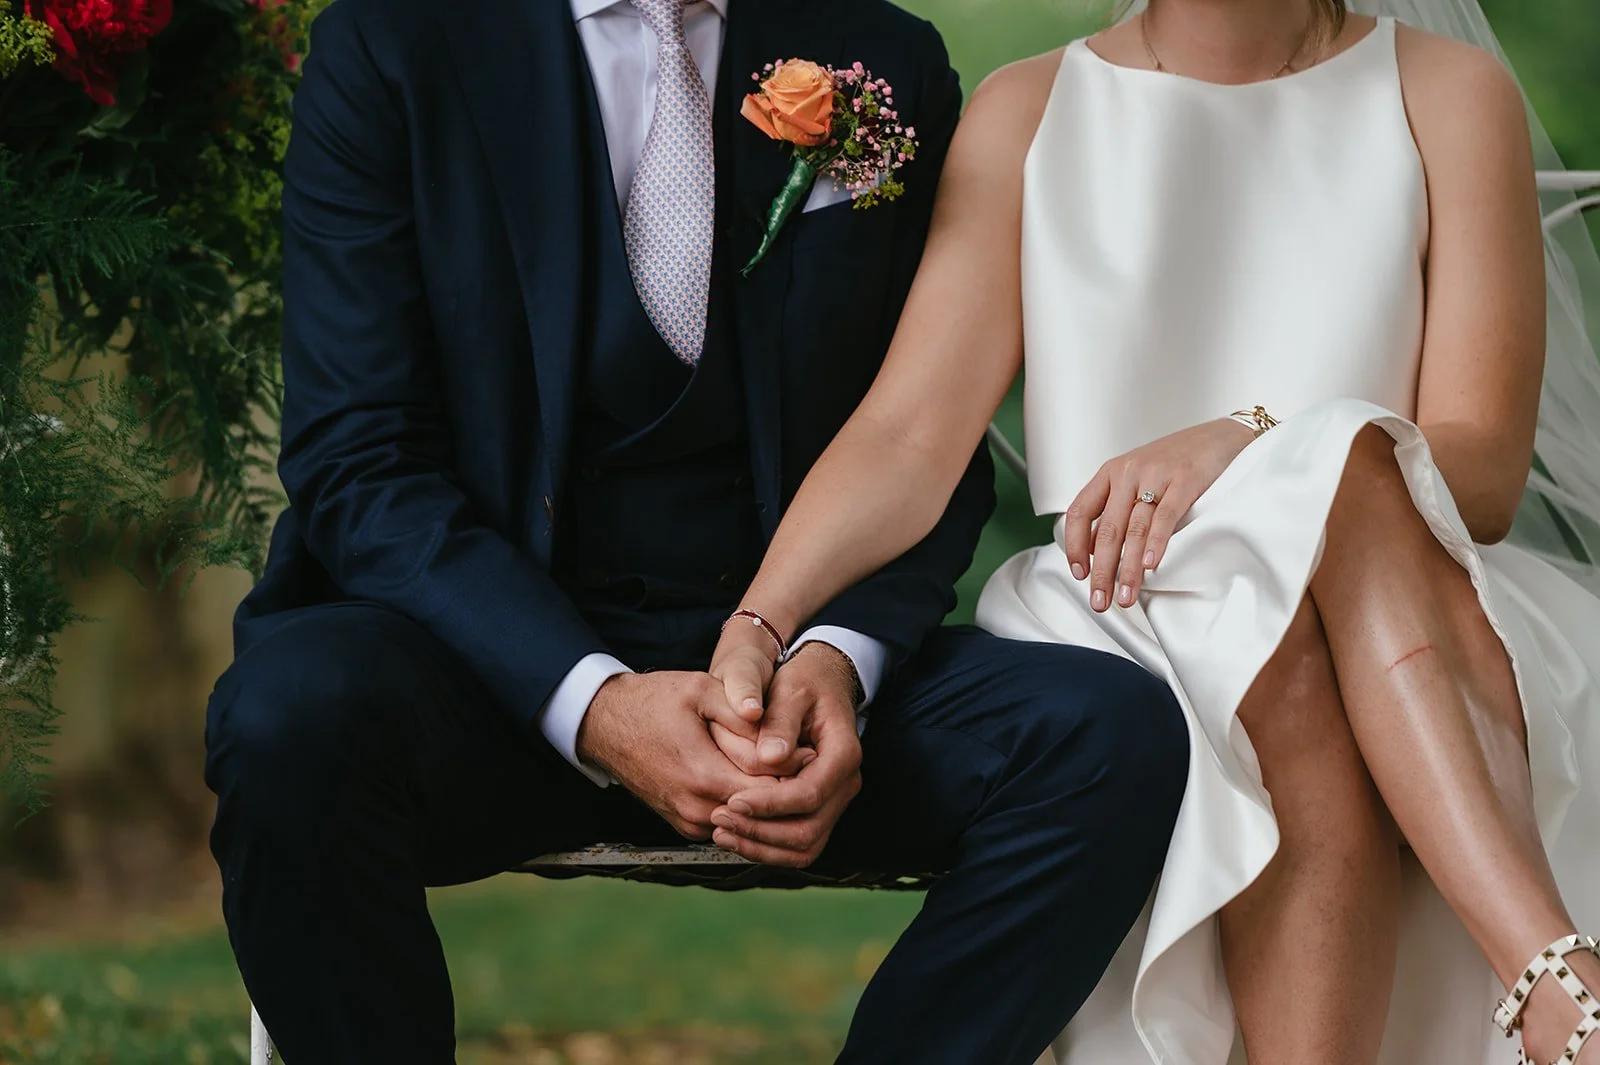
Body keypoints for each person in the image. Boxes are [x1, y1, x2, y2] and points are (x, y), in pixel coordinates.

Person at [200, 0, 1191, 1061]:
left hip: (788, 697)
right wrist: (592, 701)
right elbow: (358, 459)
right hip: (486, 683)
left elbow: (923, 438)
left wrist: (834, 659)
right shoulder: (395, 41)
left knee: (1104, 734)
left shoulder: (882, 54)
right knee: (288, 715)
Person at [708, 0, 1600, 1062]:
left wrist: (1252, 434)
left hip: (1411, 603)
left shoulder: (1446, 93)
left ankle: (1558, 993)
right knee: (1275, 637)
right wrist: (764, 621)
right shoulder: (1028, 109)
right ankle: (1560, 987)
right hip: (1126, 601)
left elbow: (1485, 474)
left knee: (1348, 478)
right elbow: (909, 434)